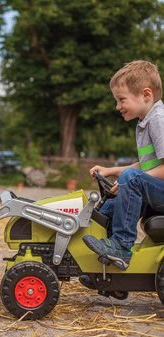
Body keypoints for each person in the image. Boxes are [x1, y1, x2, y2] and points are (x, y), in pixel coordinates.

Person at [82, 60, 164, 271]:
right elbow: (146, 166)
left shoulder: (158, 120)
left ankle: (121, 246)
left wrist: (130, 182)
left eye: (121, 100)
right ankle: (109, 270)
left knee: (129, 181)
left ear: (146, 95)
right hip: (157, 190)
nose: (118, 106)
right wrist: (110, 171)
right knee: (109, 205)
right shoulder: (145, 122)